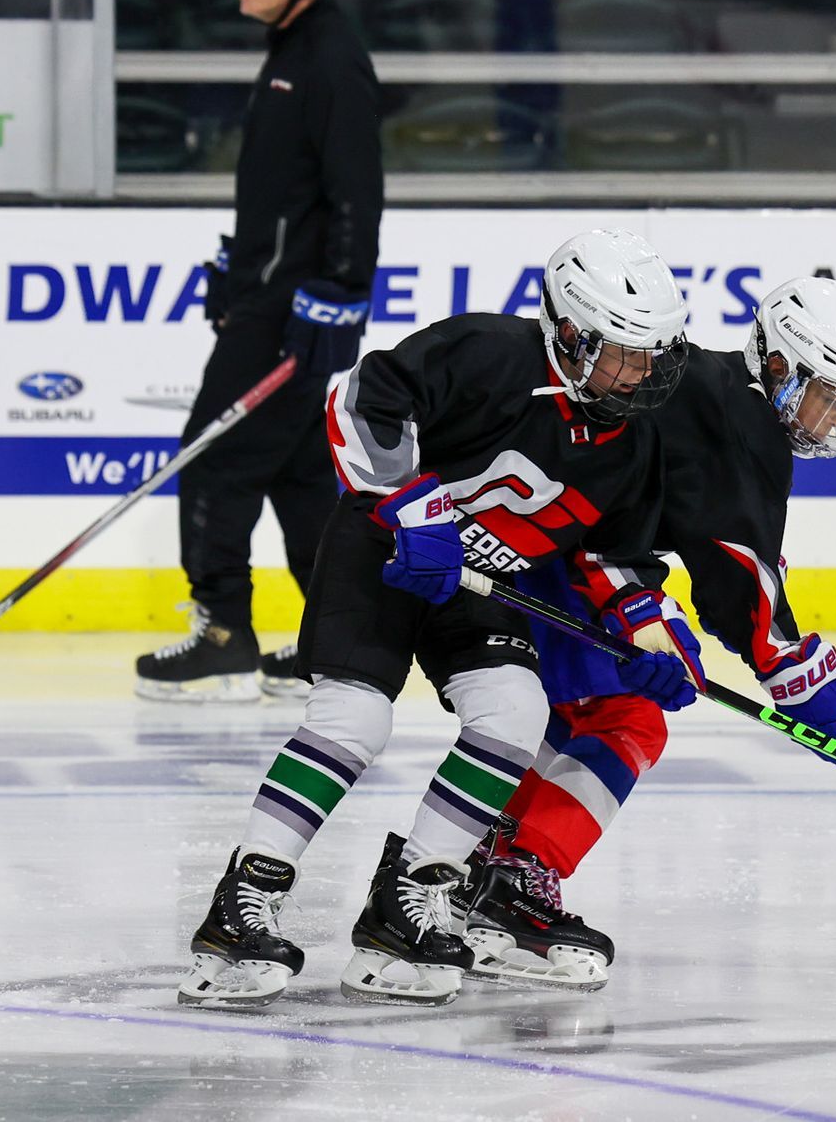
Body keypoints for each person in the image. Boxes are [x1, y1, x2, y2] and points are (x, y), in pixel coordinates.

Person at [176, 230, 705, 1010]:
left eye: (648, 354)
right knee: (354, 720)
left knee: (516, 712)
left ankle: (408, 902)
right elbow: (360, 398)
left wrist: (646, 636)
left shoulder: (629, 440)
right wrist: (417, 511)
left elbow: (614, 554)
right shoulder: (491, 352)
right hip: (386, 548)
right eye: (619, 351)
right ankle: (242, 902)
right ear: (566, 328)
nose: (637, 372)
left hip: (480, 585)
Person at [454, 277, 836, 991]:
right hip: (559, 549)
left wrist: (772, 650)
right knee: (628, 716)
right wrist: (798, 673)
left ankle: (480, 863)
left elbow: (736, 559)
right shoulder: (740, 421)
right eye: (830, 393)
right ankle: (516, 879)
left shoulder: (721, 393)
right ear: (779, 367)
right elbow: (735, 573)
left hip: (537, 536)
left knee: (576, 713)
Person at [135, 0, 383, 704]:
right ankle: (336, 645)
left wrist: (340, 295)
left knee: (211, 458)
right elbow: (289, 196)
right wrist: (239, 266)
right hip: (271, 301)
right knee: (303, 477)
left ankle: (223, 635)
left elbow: (356, 192)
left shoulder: (329, 57)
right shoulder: (293, 50)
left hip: (289, 319)